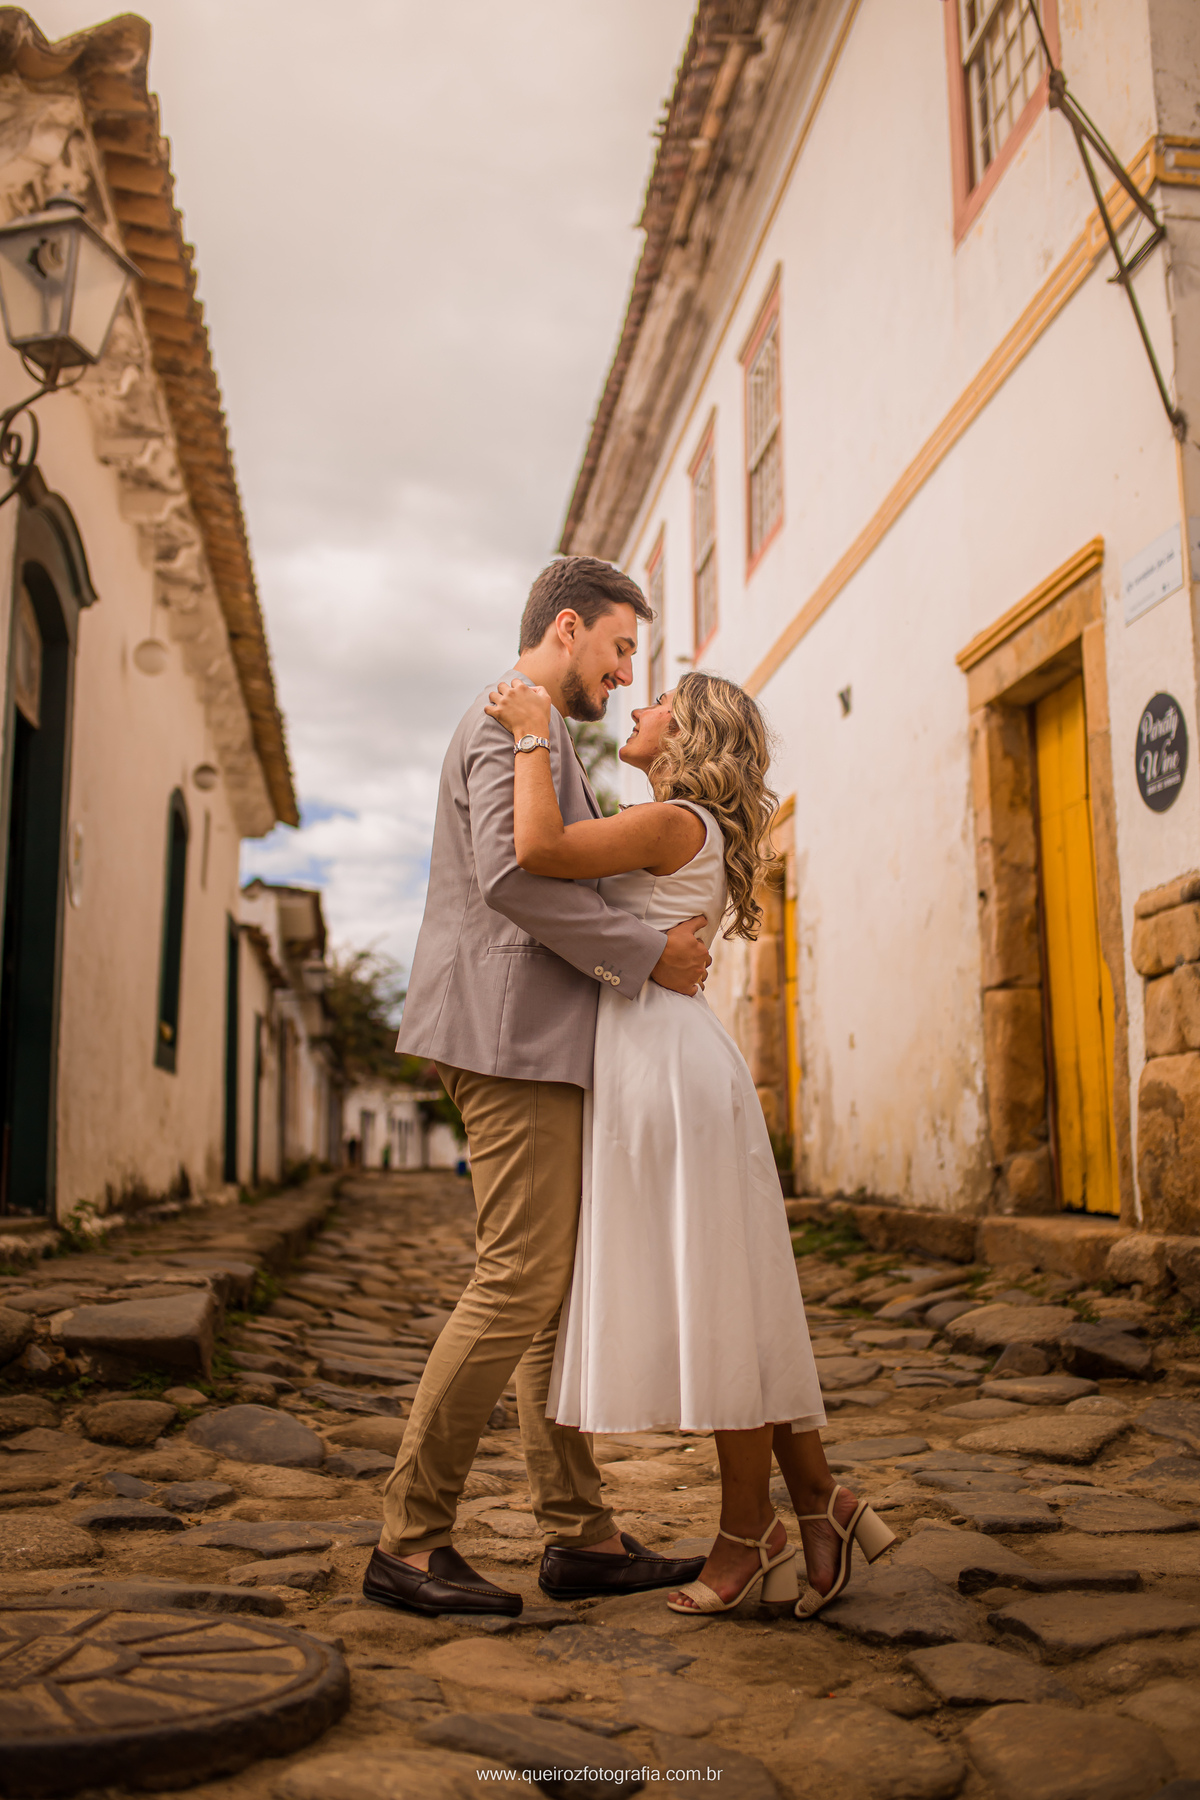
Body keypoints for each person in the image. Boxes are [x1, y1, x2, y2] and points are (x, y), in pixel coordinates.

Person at [484, 670, 896, 1618]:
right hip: (664, 1066)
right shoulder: (681, 824)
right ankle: (815, 1500)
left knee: (720, 1302)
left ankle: (749, 1532)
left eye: (657, 700)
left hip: (669, 1074)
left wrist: (531, 728)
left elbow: (538, 846)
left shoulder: (675, 822)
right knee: (733, 1298)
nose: (636, 707)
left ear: (691, 734)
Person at [360, 556, 712, 1619]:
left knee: (546, 1292)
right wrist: (649, 956)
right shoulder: (500, 723)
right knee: (516, 1281)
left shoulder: (546, 733)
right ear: (568, 629)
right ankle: (409, 1543)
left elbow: (563, 866)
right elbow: (512, 877)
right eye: (618, 650)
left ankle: (582, 1533)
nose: (621, 675)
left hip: (538, 1037)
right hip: (505, 1034)